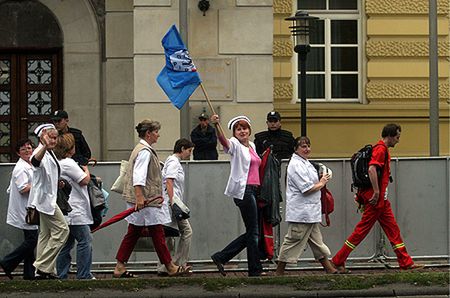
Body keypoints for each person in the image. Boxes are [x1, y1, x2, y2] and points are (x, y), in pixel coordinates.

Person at [332, 124, 423, 272]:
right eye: (397, 137)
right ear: (390, 136)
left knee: (393, 230)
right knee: (361, 231)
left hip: (380, 200)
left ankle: (406, 262)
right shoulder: (381, 149)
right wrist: (376, 192)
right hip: (376, 199)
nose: (398, 141)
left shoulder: (380, 148)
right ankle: (338, 260)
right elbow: (372, 169)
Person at [113, 119, 191, 278]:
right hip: (147, 200)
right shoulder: (144, 152)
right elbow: (139, 176)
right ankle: (170, 266)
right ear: (148, 133)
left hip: (144, 199)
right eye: (156, 132)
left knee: (134, 232)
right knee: (157, 232)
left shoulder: (140, 149)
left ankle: (120, 266)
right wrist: (140, 197)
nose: (158, 135)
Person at [210, 114, 264, 277]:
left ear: (249, 130)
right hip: (244, 190)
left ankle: (222, 256)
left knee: (253, 231)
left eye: (244, 128)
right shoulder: (234, 144)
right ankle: (254, 270)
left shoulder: (253, 146)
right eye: (238, 129)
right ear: (234, 133)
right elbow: (224, 141)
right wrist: (216, 125)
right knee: (253, 232)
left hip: (254, 190)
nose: (242, 131)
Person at [275, 136, 337, 275]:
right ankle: (279, 271)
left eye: (308, 146)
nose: (307, 149)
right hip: (301, 212)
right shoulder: (295, 165)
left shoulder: (305, 163)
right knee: (292, 240)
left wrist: (322, 176)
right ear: (295, 149)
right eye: (303, 146)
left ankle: (330, 269)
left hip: (310, 212)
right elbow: (307, 188)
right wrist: (322, 182)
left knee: (317, 243)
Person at [28, 124, 70, 279]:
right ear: (42, 137)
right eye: (50, 137)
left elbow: (47, 173)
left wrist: (57, 182)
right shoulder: (41, 151)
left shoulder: (50, 153)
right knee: (62, 230)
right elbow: (35, 162)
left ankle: (43, 271)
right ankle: (42, 266)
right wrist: (44, 146)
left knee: (45, 235)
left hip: (47, 198)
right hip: (45, 200)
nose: (54, 140)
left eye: (55, 137)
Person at [54, 133, 95, 280]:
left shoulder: (57, 162)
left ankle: (61, 274)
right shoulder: (69, 163)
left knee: (66, 244)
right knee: (85, 241)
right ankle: (84, 274)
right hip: (75, 210)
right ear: (70, 148)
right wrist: (85, 169)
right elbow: (84, 180)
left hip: (66, 209)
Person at [0, 139, 38, 280]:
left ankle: (29, 274)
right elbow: (23, 189)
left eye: (29, 148)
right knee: (32, 240)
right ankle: (8, 262)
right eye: (23, 149)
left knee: (30, 240)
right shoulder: (21, 168)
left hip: (29, 209)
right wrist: (39, 186)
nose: (28, 151)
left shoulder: (30, 165)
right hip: (25, 210)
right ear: (18, 153)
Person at [157, 138, 194, 275]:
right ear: (183, 149)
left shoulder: (170, 160)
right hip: (172, 203)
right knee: (187, 232)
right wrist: (173, 202)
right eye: (189, 150)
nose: (190, 154)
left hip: (168, 203)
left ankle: (164, 266)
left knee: (168, 235)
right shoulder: (174, 162)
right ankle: (178, 263)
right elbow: (169, 182)